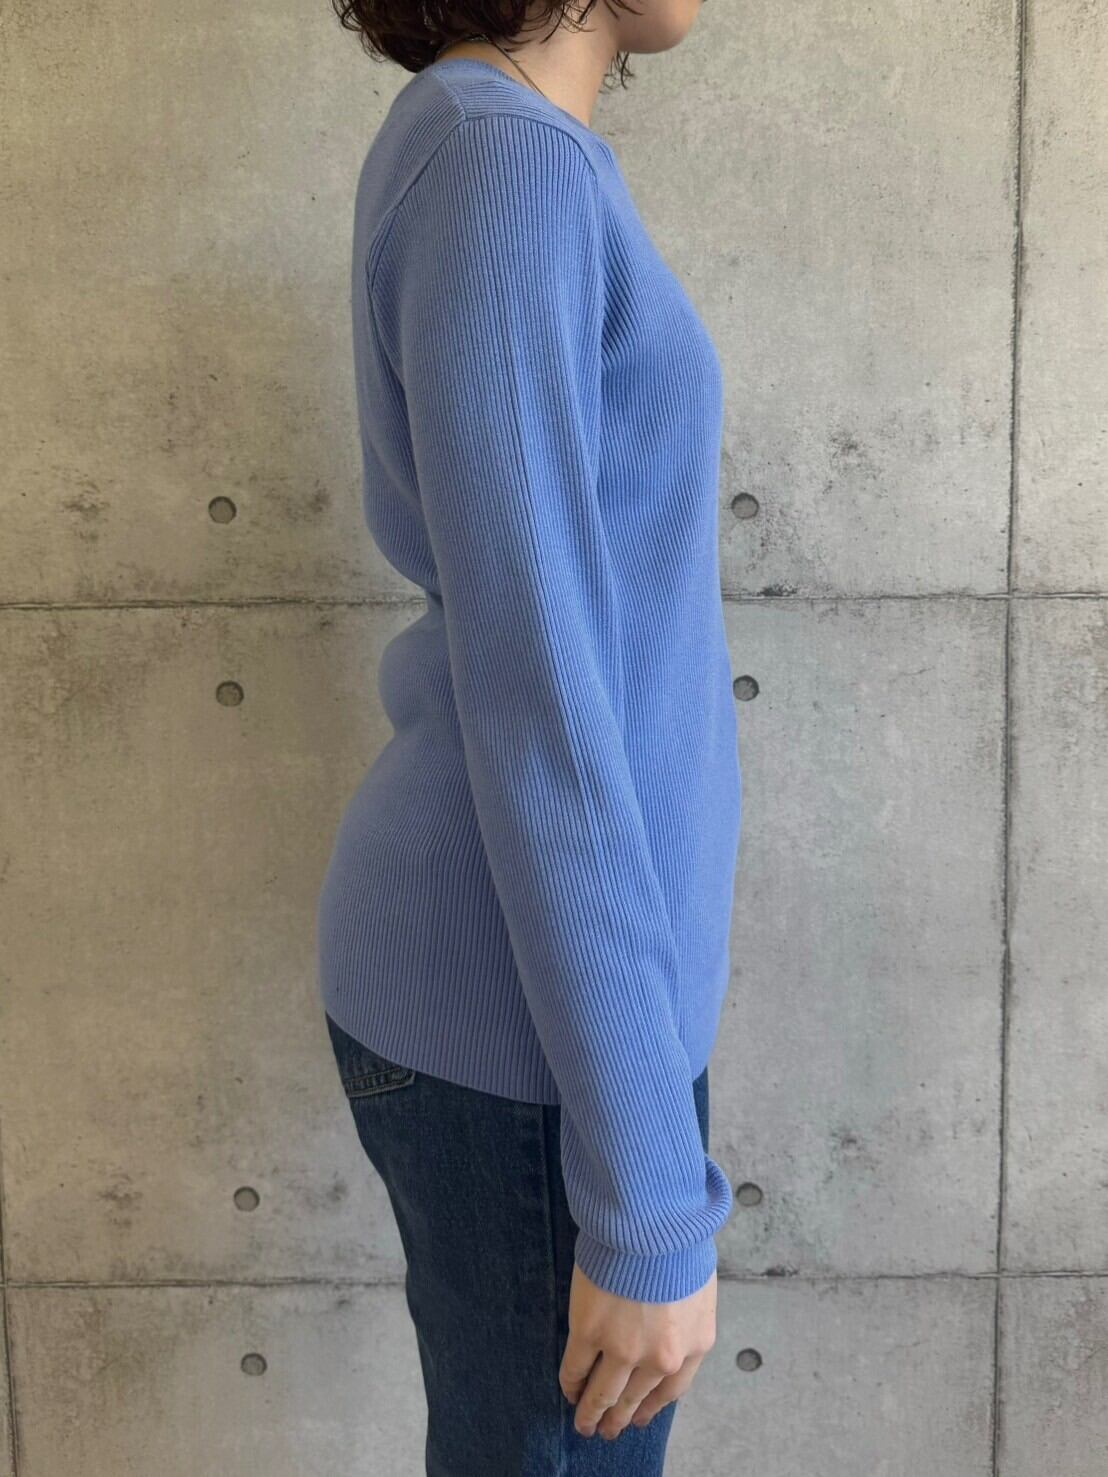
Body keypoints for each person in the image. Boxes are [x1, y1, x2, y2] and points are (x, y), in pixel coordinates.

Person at [317, 2, 743, 1470]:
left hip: (556, 1012)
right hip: (531, 1032)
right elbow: (537, 693)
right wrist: (644, 1196)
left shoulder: (494, 146)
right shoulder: (504, 162)